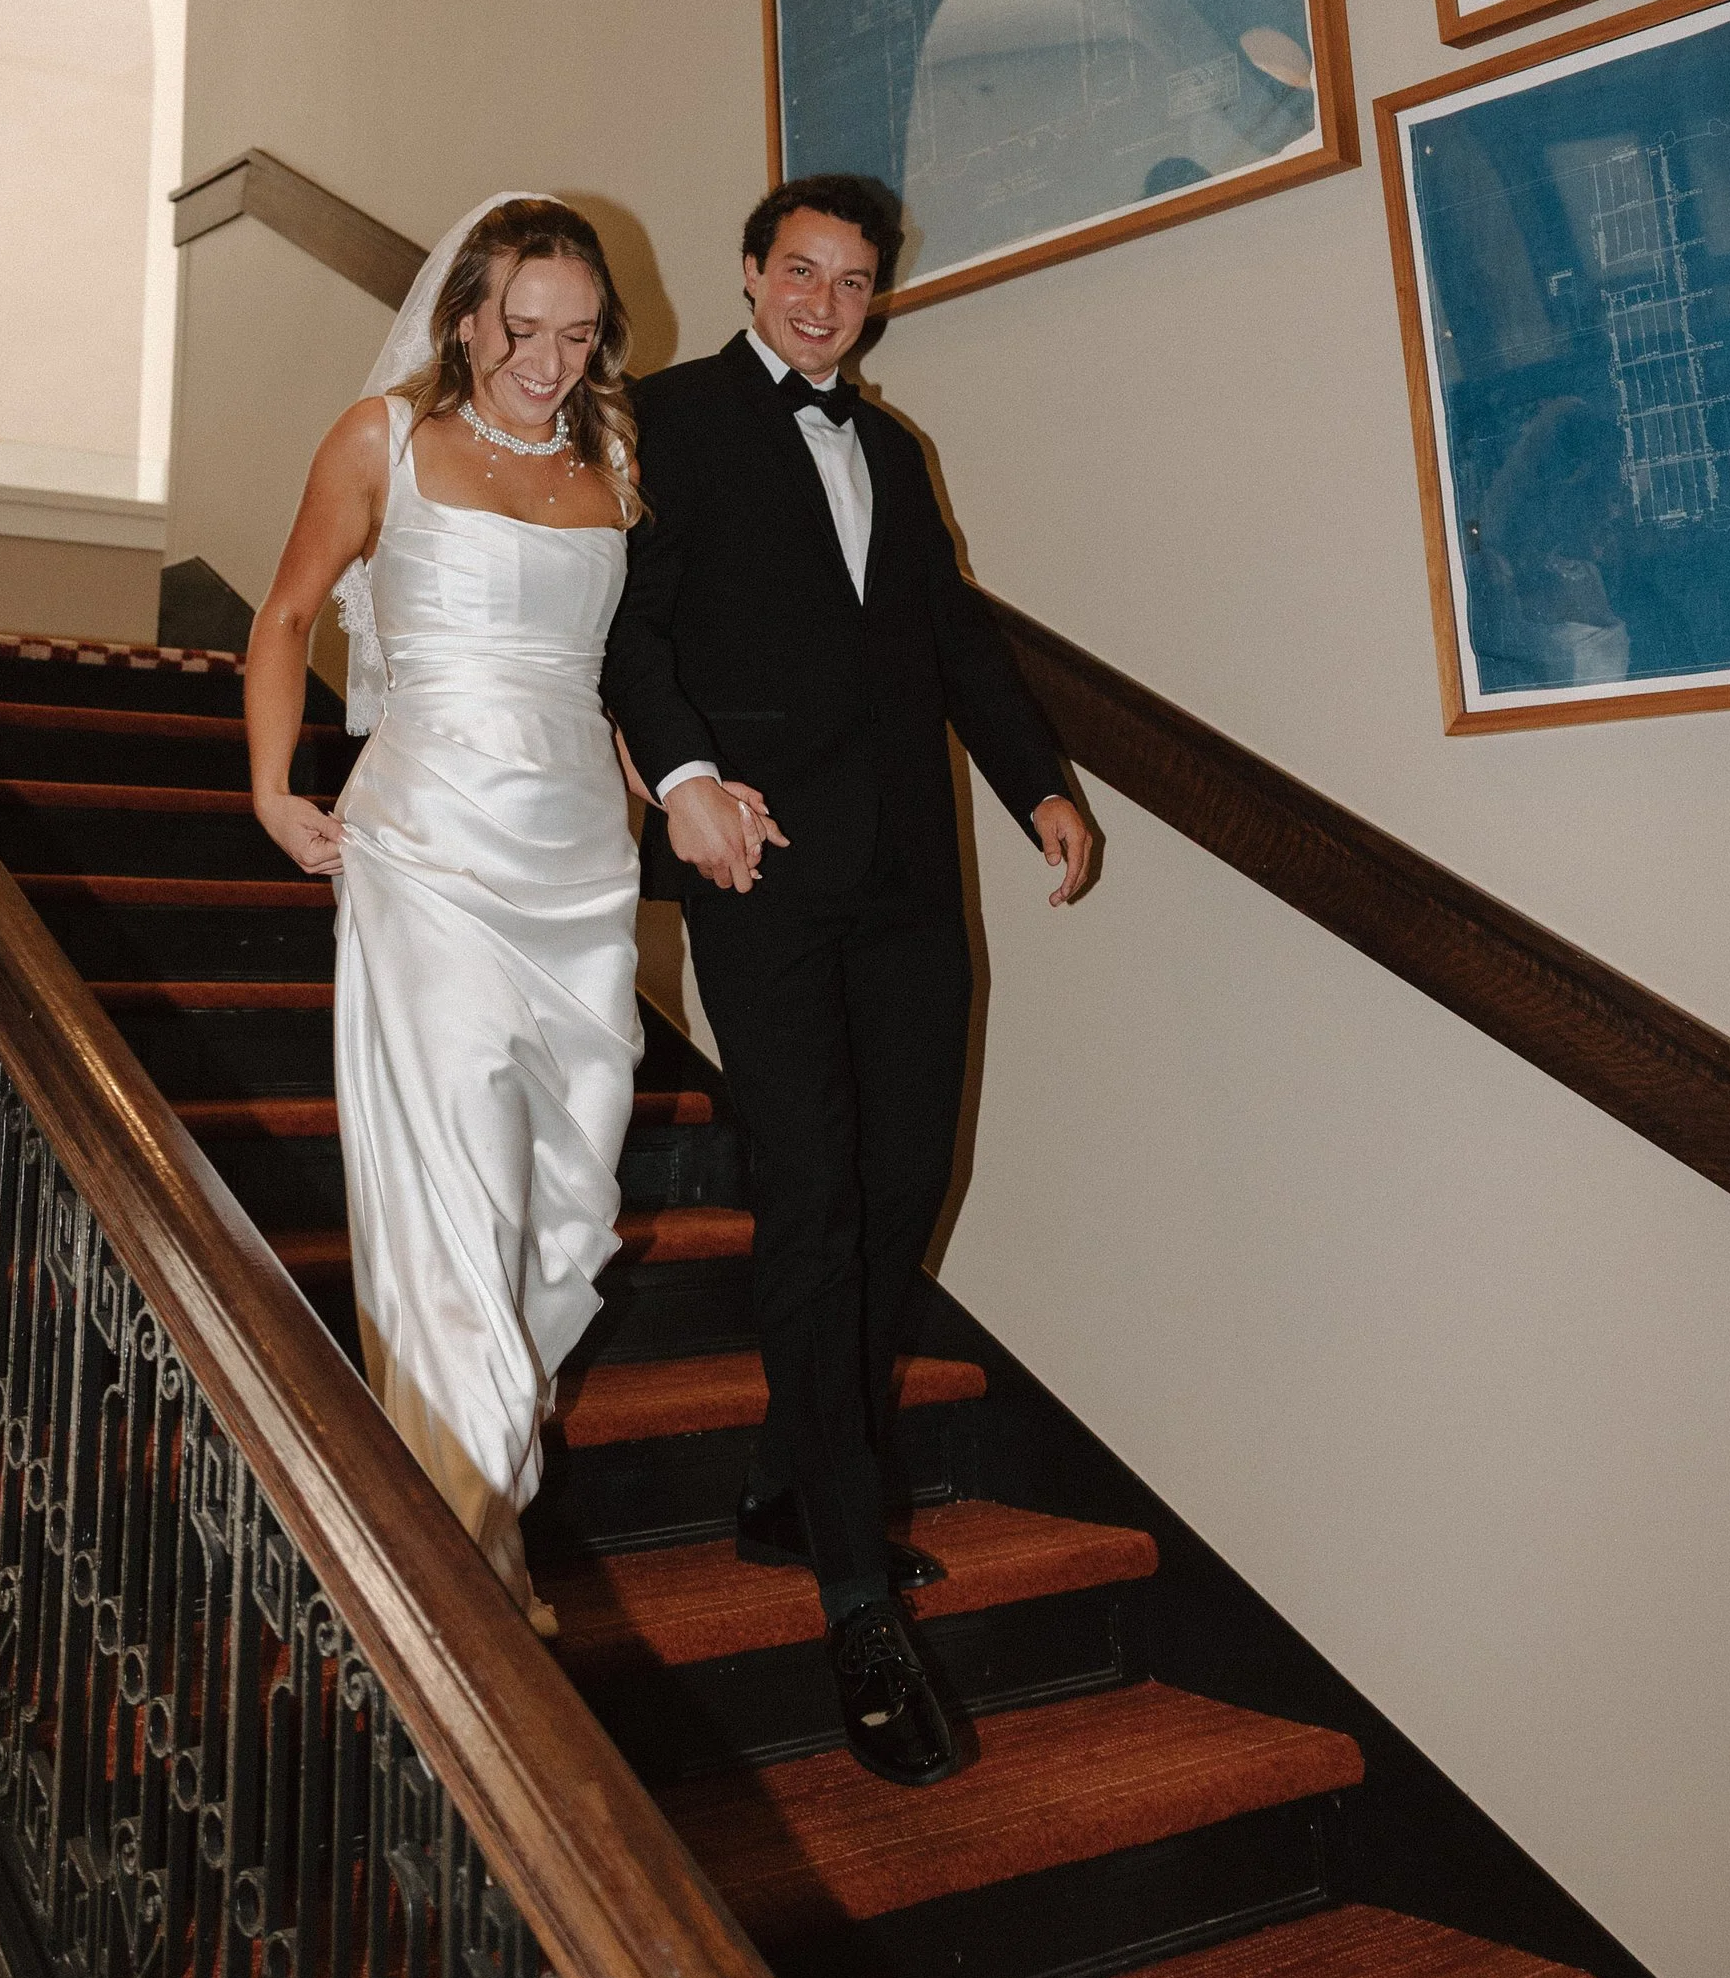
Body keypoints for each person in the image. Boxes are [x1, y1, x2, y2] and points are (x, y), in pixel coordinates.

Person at [601, 174, 1098, 1785]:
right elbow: (630, 632)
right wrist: (681, 778)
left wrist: (1041, 785)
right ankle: (855, 1589)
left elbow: (952, 641)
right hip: (757, 865)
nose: (823, 298)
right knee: (813, 1197)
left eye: (854, 279)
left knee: (903, 1183)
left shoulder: (893, 448)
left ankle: (782, 1474)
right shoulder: (666, 420)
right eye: (798, 268)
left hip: (904, 882)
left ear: (878, 299)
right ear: (749, 270)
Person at [246, 194, 702, 1637]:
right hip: (428, 855)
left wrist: (686, 790)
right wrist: (271, 788)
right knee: (459, 1206)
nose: (549, 361)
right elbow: (285, 613)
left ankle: (472, 1505)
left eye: (578, 336)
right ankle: (459, 1574)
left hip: (582, 871)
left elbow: (614, 668)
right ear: (466, 315)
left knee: (562, 1208)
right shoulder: (380, 438)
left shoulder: (610, 455)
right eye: (523, 328)